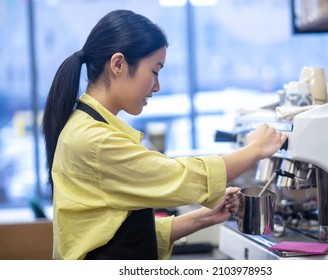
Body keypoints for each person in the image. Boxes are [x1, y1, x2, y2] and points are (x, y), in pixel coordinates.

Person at [42, 9, 286, 260]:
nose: (157, 86)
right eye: (155, 71)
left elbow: (114, 235)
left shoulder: (85, 128)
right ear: (118, 64)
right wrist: (255, 150)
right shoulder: (94, 140)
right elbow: (180, 177)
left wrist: (205, 217)